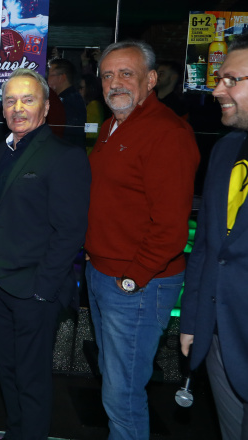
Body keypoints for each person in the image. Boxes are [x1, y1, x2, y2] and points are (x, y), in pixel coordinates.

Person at [85, 41, 199, 440]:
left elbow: (171, 228)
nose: (115, 83)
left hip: (137, 285)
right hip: (106, 274)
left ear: (151, 80)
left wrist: (132, 279)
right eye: (107, 75)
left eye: (126, 74)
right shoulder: (113, 125)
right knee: (115, 382)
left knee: (123, 395)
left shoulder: (168, 133)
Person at [0, 68, 90, 440]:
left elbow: (70, 231)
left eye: (27, 100)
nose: (17, 108)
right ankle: (15, 432)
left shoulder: (64, 156)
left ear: (45, 108)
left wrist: (43, 291)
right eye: (10, 100)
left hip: (34, 290)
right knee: (7, 371)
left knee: (31, 379)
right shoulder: (3, 150)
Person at [180, 34, 248, 439]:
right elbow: (207, 248)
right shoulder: (225, 151)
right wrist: (193, 321)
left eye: (231, 80)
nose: (217, 90)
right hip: (219, 337)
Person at [47, 57, 86, 148]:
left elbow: (69, 133)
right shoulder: (65, 98)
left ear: (62, 77)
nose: (47, 78)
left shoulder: (71, 99)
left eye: (50, 75)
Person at [79, 73, 104, 153]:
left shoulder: (93, 106)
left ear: (89, 89)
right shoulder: (92, 105)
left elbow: (89, 134)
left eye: (81, 88)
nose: (79, 91)